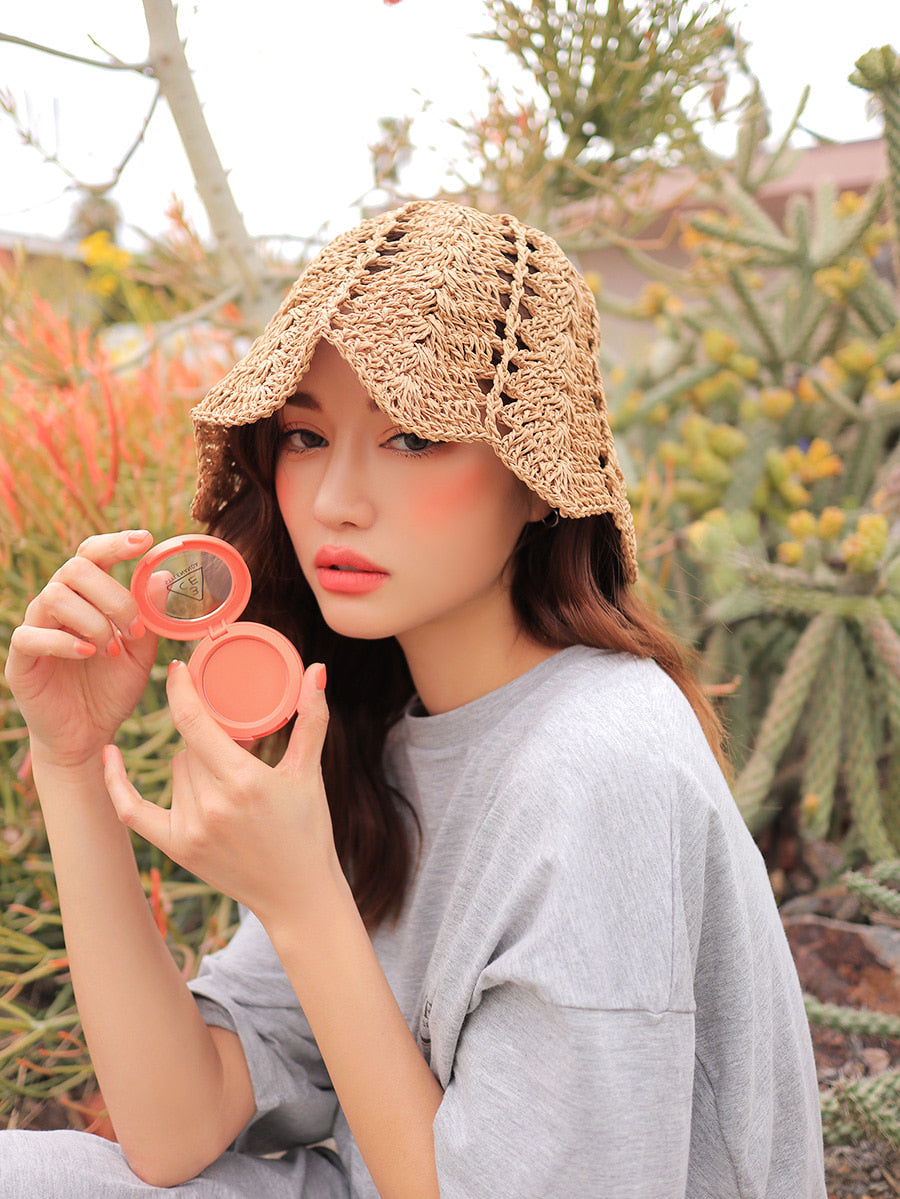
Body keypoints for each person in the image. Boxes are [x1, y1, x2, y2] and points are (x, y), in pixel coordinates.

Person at [2, 200, 825, 1198]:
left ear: (537, 479)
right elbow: (175, 1125)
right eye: (306, 435)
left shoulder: (603, 765)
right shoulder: (386, 731)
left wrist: (303, 902)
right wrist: (71, 763)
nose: (335, 500)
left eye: (414, 437)